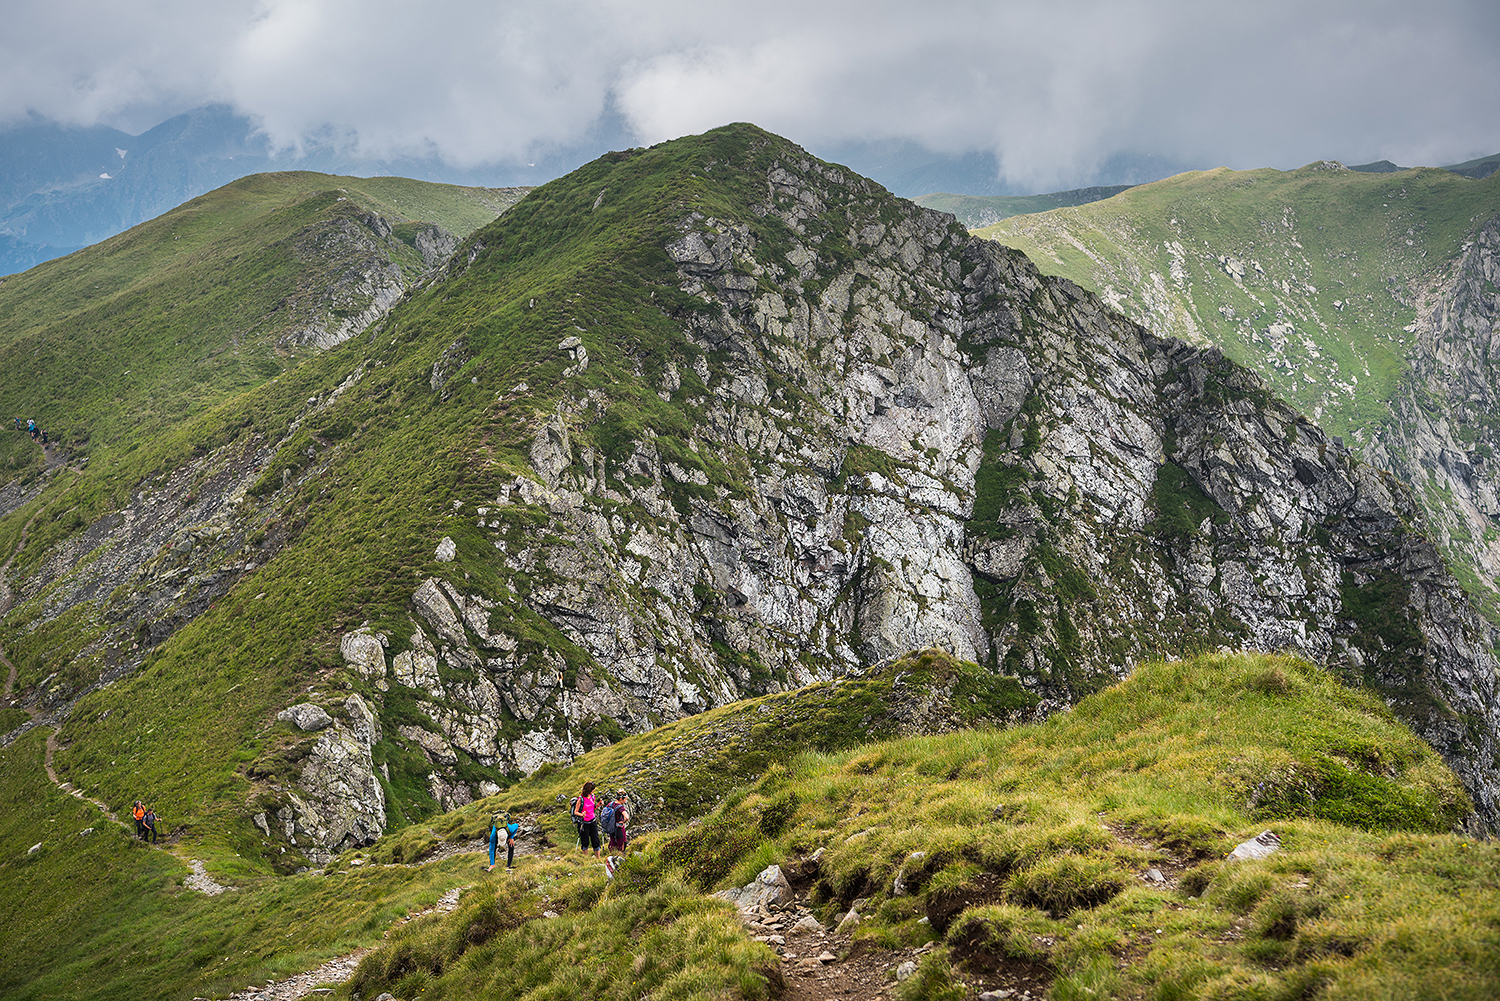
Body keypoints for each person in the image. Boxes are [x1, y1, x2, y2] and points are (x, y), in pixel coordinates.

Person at [572, 781, 601, 857]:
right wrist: (581, 814)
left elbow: (592, 808)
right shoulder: (581, 799)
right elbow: (575, 812)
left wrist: (598, 805)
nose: (594, 790)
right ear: (589, 790)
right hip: (584, 823)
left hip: (593, 821)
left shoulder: (592, 796)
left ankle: (598, 859)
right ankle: (586, 859)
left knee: (596, 841)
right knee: (585, 842)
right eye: (592, 789)